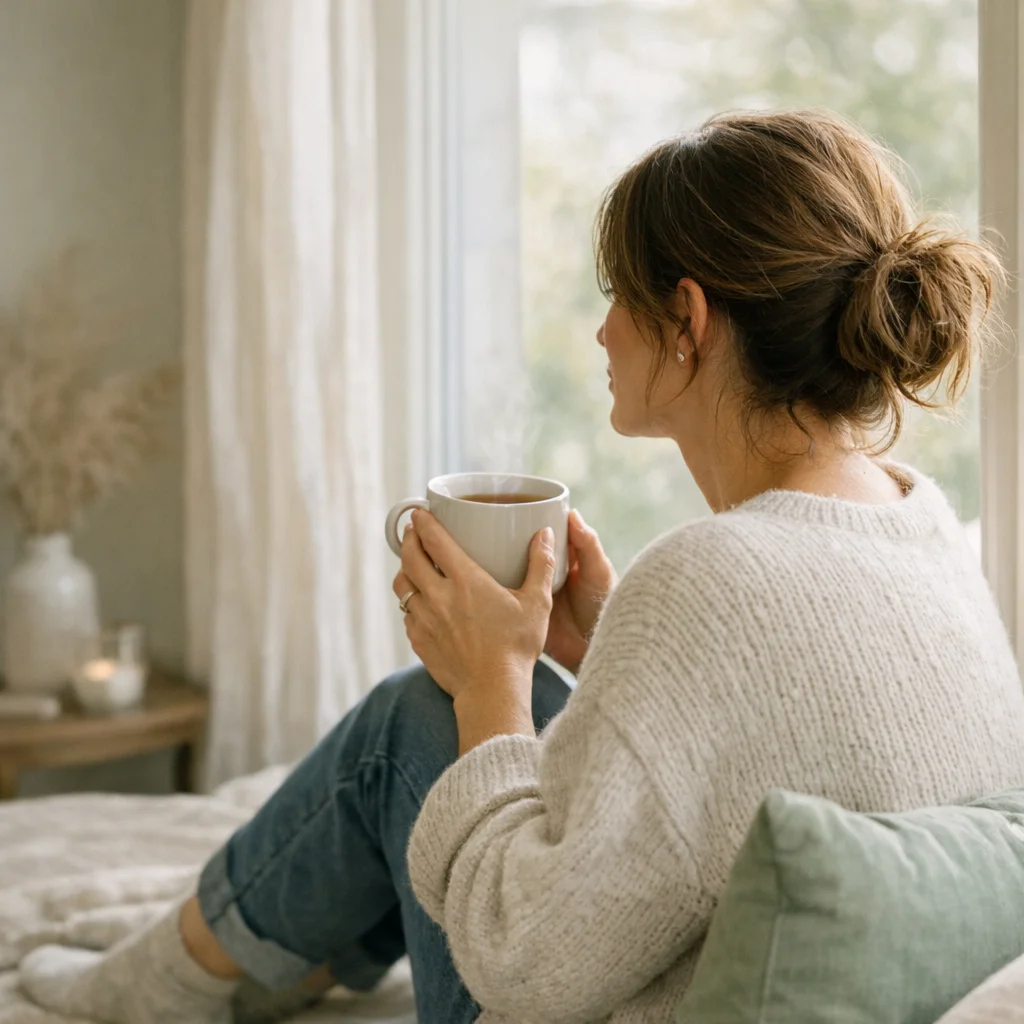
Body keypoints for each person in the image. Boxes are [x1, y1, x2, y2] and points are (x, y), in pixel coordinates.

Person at [19, 109, 1024, 1024]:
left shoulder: (712, 576)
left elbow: (526, 968)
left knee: (406, 728)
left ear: (687, 320)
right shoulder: (918, 522)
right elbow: (789, 756)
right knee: (439, 722)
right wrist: (604, 646)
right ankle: (262, 961)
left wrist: (490, 687)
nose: (599, 329)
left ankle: (162, 986)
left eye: (617, 297)